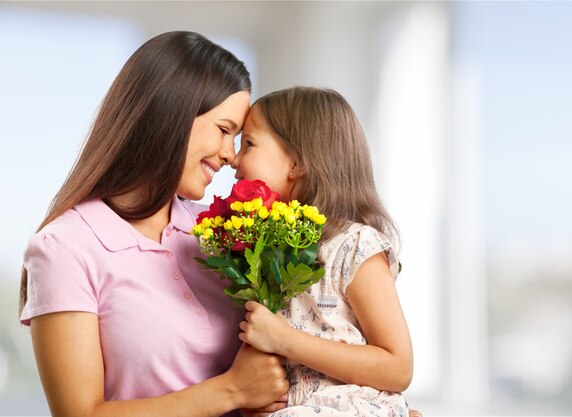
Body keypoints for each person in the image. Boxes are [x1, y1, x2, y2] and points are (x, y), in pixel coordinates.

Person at [18, 31, 288, 417]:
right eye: (224, 130)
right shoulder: (65, 247)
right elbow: (78, 413)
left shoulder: (214, 231)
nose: (231, 156)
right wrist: (229, 392)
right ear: (172, 113)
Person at [230, 87, 414, 416]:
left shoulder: (355, 245)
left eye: (248, 143)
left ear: (296, 163)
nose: (234, 159)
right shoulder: (264, 251)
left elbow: (398, 368)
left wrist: (284, 341)